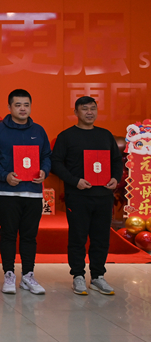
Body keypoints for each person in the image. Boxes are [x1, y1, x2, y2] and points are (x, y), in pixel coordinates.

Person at [51, 96, 122, 296]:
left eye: (93, 108)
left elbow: (116, 161)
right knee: (78, 236)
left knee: (101, 238)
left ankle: (98, 276)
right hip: (78, 195)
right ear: (76, 112)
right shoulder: (66, 136)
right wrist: (75, 181)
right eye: (84, 109)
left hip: (103, 195)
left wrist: (115, 178)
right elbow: (56, 163)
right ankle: (78, 276)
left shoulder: (105, 135)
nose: (89, 112)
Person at [0, 89, 51, 295]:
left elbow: (47, 156)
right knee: (8, 234)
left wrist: (44, 171)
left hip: (33, 193)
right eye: (18, 105)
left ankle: (28, 275)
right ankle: (9, 274)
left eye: (26, 105)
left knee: (30, 236)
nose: (23, 109)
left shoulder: (39, 131)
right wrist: (4, 176)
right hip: (8, 193)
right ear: (9, 107)